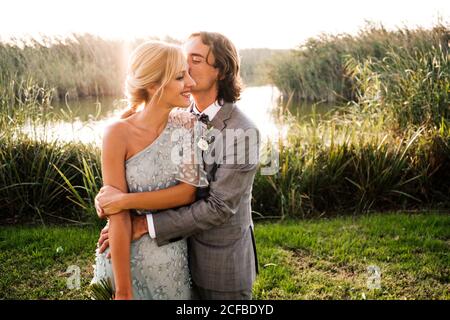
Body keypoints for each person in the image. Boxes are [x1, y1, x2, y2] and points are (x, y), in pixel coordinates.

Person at [96, 32, 260, 300]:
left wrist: (144, 223)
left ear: (221, 70)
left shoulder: (243, 132)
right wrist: (108, 198)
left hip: (219, 263)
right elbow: (132, 152)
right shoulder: (177, 117)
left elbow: (219, 207)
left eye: (195, 60)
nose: (185, 67)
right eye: (183, 61)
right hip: (171, 255)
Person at [90, 40, 207, 300]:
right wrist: (123, 291)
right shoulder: (117, 133)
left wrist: (123, 200)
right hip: (123, 257)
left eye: (188, 73)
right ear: (154, 84)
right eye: (180, 76)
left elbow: (187, 193)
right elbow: (117, 215)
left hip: (170, 260)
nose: (191, 83)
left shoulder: (187, 128)